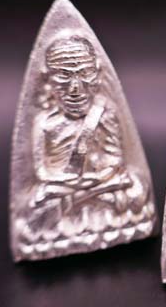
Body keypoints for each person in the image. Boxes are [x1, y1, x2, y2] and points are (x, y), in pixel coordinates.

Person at [25, 36, 149, 239]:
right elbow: (42, 173)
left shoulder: (104, 113)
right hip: (65, 187)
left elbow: (116, 161)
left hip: (101, 184)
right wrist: (78, 182)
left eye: (85, 74)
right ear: (48, 79)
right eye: (64, 76)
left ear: (97, 75)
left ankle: (76, 213)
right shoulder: (45, 123)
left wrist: (98, 177)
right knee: (38, 202)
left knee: (136, 190)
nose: (75, 88)